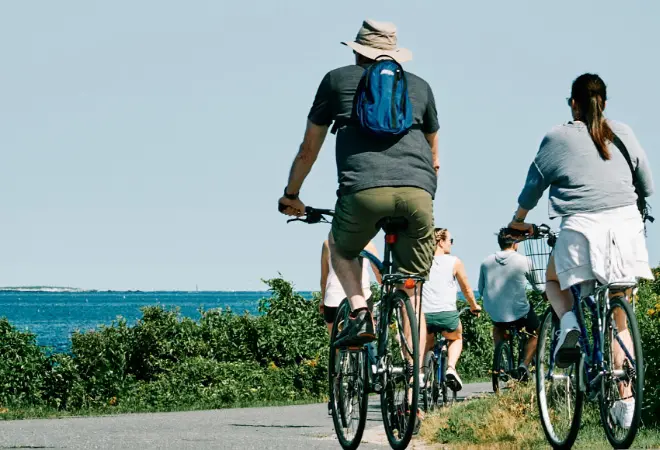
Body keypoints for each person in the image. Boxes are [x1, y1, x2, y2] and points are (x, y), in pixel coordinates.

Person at [278, 19, 440, 351]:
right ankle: (415, 392)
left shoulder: (336, 81)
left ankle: (361, 309)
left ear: (357, 53)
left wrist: (291, 194)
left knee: (341, 247)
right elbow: (435, 158)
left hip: (362, 192)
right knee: (413, 291)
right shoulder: (421, 87)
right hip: (418, 192)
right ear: (395, 55)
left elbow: (308, 150)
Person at [508, 73, 654, 428]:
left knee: (554, 282)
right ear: (604, 102)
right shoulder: (623, 132)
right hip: (626, 227)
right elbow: (646, 182)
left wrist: (517, 221)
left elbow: (532, 188)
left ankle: (570, 323)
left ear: (573, 103)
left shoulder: (557, 136)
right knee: (621, 315)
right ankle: (626, 401)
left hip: (581, 229)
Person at [422, 228, 481, 392]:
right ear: (440, 242)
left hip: (424, 315)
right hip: (447, 315)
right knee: (456, 338)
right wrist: (474, 306)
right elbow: (466, 289)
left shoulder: (422, 262)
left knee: (426, 343)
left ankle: (423, 374)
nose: (451, 244)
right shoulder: (454, 261)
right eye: (450, 241)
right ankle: (451, 368)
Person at [478, 229, 539, 381]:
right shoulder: (524, 261)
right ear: (515, 244)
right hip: (519, 313)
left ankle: (501, 361)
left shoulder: (486, 262)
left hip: (495, 312)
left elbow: (480, 290)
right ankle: (524, 365)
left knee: (498, 327)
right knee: (537, 332)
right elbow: (539, 287)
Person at [320, 239, 381, 335]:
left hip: (333, 300)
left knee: (335, 343)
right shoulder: (368, 244)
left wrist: (323, 300)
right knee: (366, 335)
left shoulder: (328, 243)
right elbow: (379, 274)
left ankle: (336, 349)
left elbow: (324, 279)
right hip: (363, 299)